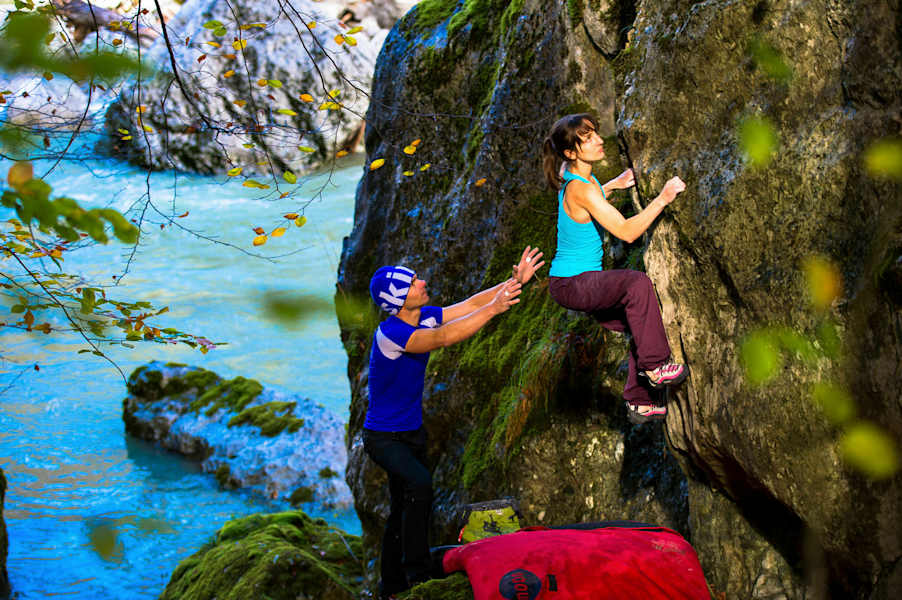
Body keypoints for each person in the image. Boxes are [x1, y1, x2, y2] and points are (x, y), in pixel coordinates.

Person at [363, 246, 545, 599]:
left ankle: (391, 585)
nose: (422, 282)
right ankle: (417, 575)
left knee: (402, 506)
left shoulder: (425, 315)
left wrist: (513, 283)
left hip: (411, 433)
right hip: (383, 438)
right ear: (398, 300)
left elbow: (470, 305)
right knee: (420, 485)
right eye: (413, 283)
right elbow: (443, 338)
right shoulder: (391, 334)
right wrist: (495, 308)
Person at [542, 112, 688, 423]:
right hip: (573, 282)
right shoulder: (580, 188)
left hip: (575, 283)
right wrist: (663, 198)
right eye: (588, 138)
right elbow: (627, 232)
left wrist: (615, 185)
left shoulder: (576, 177)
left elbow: (590, 201)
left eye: (595, 133)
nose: (599, 140)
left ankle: (640, 401)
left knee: (640, 322)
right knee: (637, 285)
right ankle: (656, 366)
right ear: (570, 153)